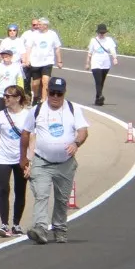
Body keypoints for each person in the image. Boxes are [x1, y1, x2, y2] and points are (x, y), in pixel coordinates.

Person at [23, 76, 88, 244]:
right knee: (41, 195)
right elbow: (25, 133)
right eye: (52, 93)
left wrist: (76, 143)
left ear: (64, 93)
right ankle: (40, 229)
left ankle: (59, 228)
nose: (55, 97)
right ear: (47, 92)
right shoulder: (37, 110)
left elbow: (83, 131)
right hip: (42, 161)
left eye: (59, 94)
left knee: (62, 199)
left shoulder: (73, 109)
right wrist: (24, 157)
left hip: (65, 163)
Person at [0, 83, 32, 236]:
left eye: (8, 96)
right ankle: (4, 224)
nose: (5, 99)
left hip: (20, 158)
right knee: (3, 189)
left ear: (17, 98)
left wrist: (30, 160)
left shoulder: (27, 115)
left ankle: (16, 223)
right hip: (3, 157)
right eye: (4, 96)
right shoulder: (0, 115)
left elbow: (32, 139)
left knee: (20, 190)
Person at [23, 16, 62, 103]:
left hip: (47, 62)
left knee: (45, 81)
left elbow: (57, 48)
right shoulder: (34, 34)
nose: (38, 26)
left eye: (40, 24)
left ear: (45, 26)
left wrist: (59, 61)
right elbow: (28, 47)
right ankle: (36, 96)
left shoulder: (52, 34)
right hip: (36, 62)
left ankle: (44, 100)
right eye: (37, 24)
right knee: (35, 84)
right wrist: (27, 59)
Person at [0, 45, 25, 113]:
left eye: (6, 56)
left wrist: (21, 93)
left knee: (11, 112)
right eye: (3, 57)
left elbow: (20, 81)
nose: (5, 58)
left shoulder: (17, 67)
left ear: (11, 57)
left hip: (12, 95)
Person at [87, 23, 117, 105]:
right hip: (96, 63)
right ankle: (100, 95)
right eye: (100, 33)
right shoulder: (93, 40)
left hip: (106, 64)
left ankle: (98, 99)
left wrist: (114, 58)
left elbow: (112, 50)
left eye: (103, 33)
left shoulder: (109, 40)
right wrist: (87, 63)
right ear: (97, 32)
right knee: (98, 81)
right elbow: (90, 53)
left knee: (102, 82)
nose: (102, 34)